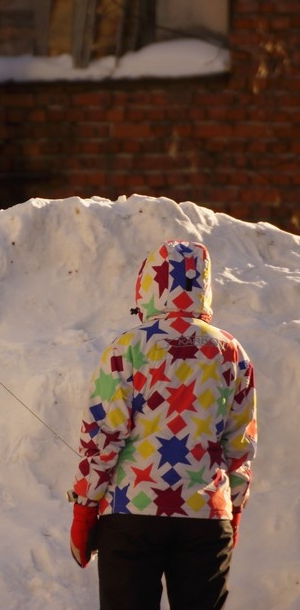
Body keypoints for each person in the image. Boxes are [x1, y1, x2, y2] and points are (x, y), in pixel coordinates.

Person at [68, 240, 257, 610]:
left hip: (131, 514)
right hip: (205, 514)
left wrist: (84, 508)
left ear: (147, 288)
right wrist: (233, 507)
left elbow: (101, 437)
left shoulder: (127, 348)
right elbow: (241, 442)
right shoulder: (232, 352)